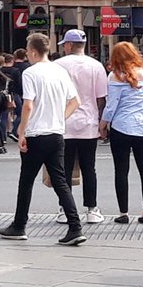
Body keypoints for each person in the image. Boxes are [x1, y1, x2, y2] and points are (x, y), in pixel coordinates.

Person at [0, 33, 85, 246]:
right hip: (56, 133)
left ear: (33, 52)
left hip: (36, 134)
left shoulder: (31, 73)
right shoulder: (60, 71)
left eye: (28, 51)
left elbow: (28, 105)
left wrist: (22, 131)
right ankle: (75, 226)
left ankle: (19, 225)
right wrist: (58, 118)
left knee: (26, 181)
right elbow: (76, 101)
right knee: (60, 181)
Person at [98, 41, 143, 225]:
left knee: (121, 171)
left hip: (121, 127)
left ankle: (123, 213)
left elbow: (111, 105)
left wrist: (103, 124)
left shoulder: (114, 77)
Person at [56, 29, 108, 224]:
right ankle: (92, 209)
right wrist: (100, 120)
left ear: (69, 45)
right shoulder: (96, 66)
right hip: (88, 123)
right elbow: (101, 98)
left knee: (64, 168)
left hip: (63, 122)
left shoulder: (58, 65)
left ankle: (64, 209)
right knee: (89, 168)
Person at [7, 48, 28, 136]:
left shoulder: (13, 66)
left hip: (12, 92)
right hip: (24, 92)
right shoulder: (28, 66)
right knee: (22, 113)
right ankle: (15, 129)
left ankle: (12, 129)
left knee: (9, 113)